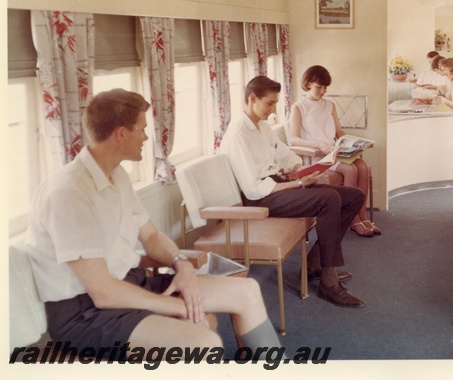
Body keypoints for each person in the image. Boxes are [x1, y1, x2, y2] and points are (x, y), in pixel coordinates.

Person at [26, 89, 280, 355]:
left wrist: (180, 264)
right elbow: (103, 292)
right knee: (204, 342)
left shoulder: (117, 174)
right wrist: (183, 307)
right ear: (121, 133)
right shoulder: (68, 193)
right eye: (142, 129)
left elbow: (150, 236)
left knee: (247, 291)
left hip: (131, 285)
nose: (147, 137)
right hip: (86, 314)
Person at [220, 75, 365, 308]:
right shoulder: (238, 135)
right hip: (262, 199)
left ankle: (316, 261)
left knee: (354, 196)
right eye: (269, 103)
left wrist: (300, 168)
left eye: (275, 103)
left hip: (278, 185)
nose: (273, 109)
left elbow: (283, 153)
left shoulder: (263, 127)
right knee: (328, 199)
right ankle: (328, 281)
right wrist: (298, 184)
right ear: (252, 98)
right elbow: (254, 190)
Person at [290, 65, 380, 238]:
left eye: (325, 87)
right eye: (319, 87)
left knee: (362, 166)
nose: (323, 91)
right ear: (308, 83)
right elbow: (293, 138)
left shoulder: (329, 105)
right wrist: (320, 145)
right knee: (350, 169)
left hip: (334, 151)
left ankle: (362, 216)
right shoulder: (298, 107)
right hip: (316, 157)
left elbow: (338, 131)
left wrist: (352, 142)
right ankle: (352, 219)